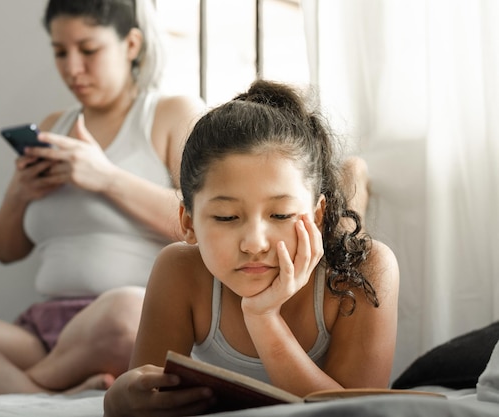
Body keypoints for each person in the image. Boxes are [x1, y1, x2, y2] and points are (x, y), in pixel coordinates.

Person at [0, 0, 204, 395]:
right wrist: (19, 194)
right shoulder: (54, 126)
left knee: (126, 310)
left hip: (125, 323)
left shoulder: (171, 113)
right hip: (44, 331)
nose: (72, 68)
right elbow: (5, 249)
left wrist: (106, 178)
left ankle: (13, 387)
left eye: (88, 50)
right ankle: (48, 392)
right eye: (60, 52)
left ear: (131, 45)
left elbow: (203, 223)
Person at [103, 79, 400, 417]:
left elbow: (357, 412)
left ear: (317, 215)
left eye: (280, 214)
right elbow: (142, 391)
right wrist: (118, 400)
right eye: (227, 217)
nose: (255, 243)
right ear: (188, 223)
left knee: (346, 234)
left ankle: (353, 185)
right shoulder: (179, 270)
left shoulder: (368, 270)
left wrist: (263, 317)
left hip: (332, 251)